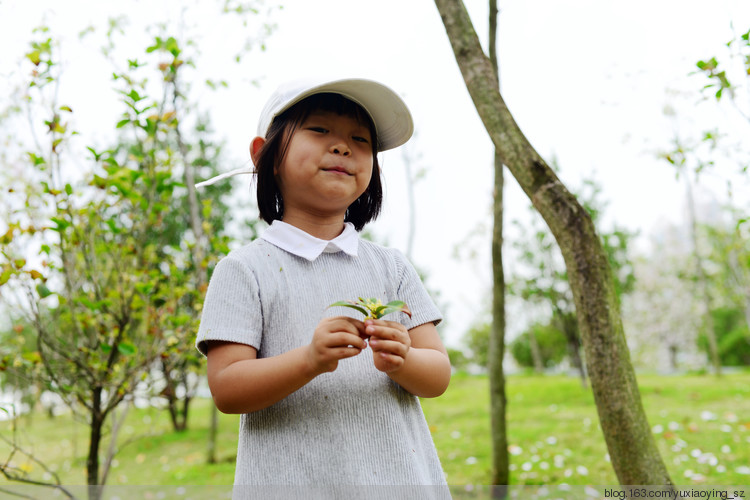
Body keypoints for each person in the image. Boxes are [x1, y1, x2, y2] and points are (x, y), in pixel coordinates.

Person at [195, 77, 451, 493]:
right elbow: (227, 388)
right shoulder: (244, 270)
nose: (343, 147)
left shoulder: (391, 268)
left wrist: (403, 360)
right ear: (266, 154)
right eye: (318, 130)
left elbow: (438, 375)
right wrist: (311, 359)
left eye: (360, 139)